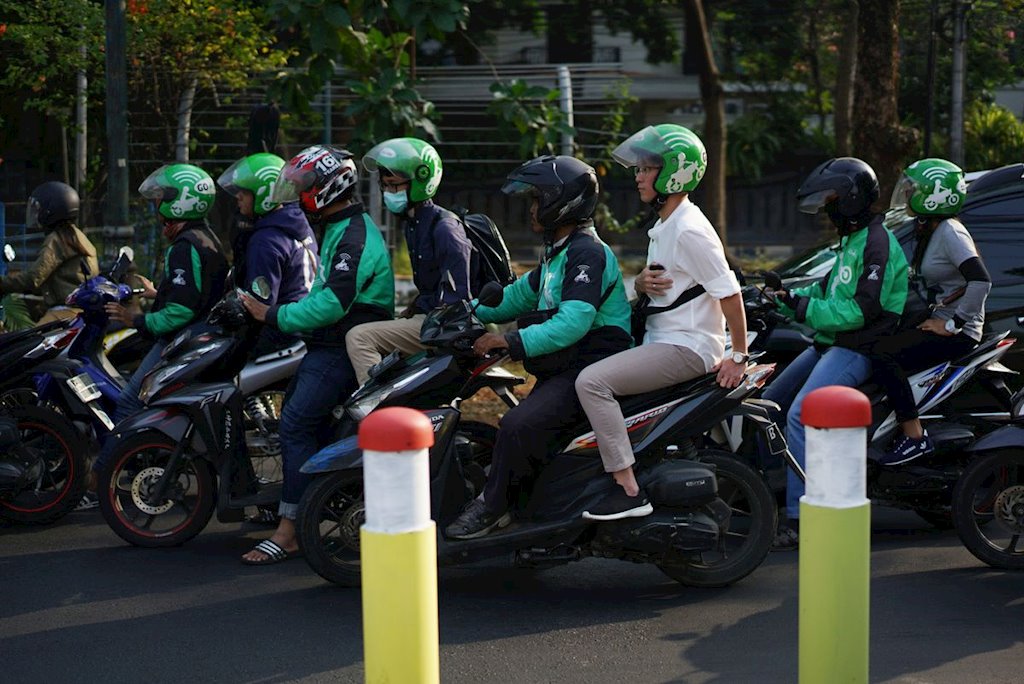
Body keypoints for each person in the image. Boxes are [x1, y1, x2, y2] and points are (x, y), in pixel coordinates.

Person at [444, 155, 632, 540]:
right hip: (565, 366)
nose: (531, 209)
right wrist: (465, 311)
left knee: (516, 425)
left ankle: (495, 510)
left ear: (561, 202)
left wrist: (510, 342)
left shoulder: (586, 253)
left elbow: (574, 322)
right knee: (523, 423)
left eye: (536, 200)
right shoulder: (557, 252)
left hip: (590, 366)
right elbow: (516, 296)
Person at [574, 124, 749, 521]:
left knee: (592, 382)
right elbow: (674, 289)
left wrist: (738, 355)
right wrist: (641, 285)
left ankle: (627, 488)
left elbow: (729, 292)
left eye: (647, 168)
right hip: (663, 339)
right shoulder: (667, 225)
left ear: (674, 172)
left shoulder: (689, 229)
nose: (637, 175)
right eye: (638, 168)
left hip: (686, 347)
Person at [238, 145, 394, 565]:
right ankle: (314, 506)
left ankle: (288, 530)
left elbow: (332, 304)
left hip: (341, 344)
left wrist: (273, 314)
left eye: (306, 187)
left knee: (294, 423)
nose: (300, 195)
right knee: (312, 424)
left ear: (331, 187)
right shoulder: (338, 227)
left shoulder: (353, 236)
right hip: (329, 340)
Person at [761, 157, 908, 548]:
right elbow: (826, 292)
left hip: (860, 346)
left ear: (850, 198)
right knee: (767, 404)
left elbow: (861, 310)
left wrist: (801, 309)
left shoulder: (876, 243)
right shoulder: (852, 240)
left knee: (799, 414)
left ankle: (800, 517)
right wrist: (782, 296)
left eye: (830, 199)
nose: (826, 208)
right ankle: (773, 490)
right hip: (830, 342)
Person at [80, 164, 229, 509]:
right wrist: (154, 291)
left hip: (184, 338)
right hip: (203, 336)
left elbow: (181, 312)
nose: (156, 206)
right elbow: (194, 290)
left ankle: (101, 478)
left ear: (180, 203)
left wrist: (138, 319)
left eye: (161, 199)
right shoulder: (203, 237)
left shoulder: (184, 246)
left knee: (131, 401)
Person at [871, 158, 989, 464]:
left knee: (883, 354)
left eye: (913, 190)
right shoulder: (929, 227)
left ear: (934, 195)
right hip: (941, 316)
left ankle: (914, 437)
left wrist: (952, 326)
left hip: (959, 331)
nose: (907, 195)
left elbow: (980, 280)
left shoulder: (951, 232)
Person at [345, 137, 473, 386]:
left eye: (394, 185)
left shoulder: (445, 229)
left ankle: (378, 411)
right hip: (428, 317)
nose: (388, 193)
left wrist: (427, 321)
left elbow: (458, 297)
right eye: (384, 186)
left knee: (359, 337)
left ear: (420, 182)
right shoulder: (415, 224)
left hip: (447, 325)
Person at [217, 152, 319, 357]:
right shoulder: (296, 223)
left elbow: (259, 303)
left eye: (243, 192)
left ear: (264, 194)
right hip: (304, 323)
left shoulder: (266, 240)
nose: (237, 197)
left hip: (280, 333)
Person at [0, 181, 98, 324]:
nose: (35, 213)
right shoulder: (76, 236)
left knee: (30, 345)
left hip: (64, 312)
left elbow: (33, 279)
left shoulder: (58, 239)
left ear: (50, 210)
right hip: (80, 310)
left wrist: (2, 283)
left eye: (38, 208)